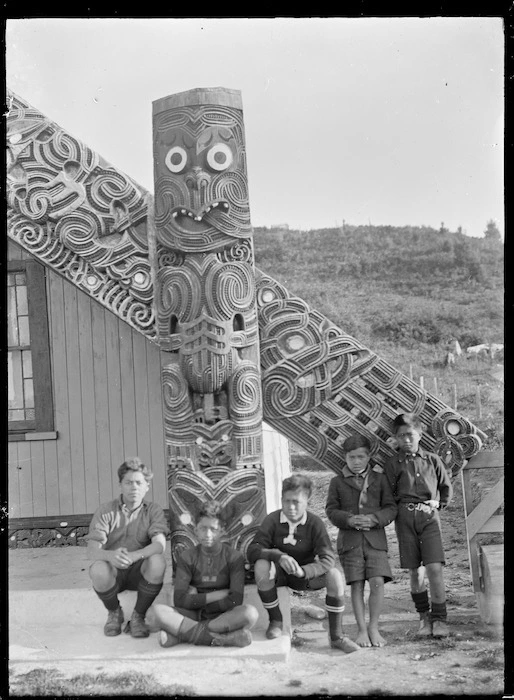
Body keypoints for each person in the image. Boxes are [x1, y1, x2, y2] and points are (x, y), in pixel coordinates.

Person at [248, 474, 360, 653]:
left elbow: (328, 559)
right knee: (261, 566)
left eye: (296, 502)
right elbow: (253, 549)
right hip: (281, 575)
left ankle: (337, 636)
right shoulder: (273, 520)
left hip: (305, 577)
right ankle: (275, 621)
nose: (291, 507)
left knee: (335, 576)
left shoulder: (314, 523)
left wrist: (304, 571)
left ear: (307, 501)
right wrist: (278, 557)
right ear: (281, 500)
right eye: (287, 501)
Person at [151, 500, 259, 648]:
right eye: (202, 528)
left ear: (222, 530)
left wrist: (196, 599)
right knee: (158, 611)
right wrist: (217, 595)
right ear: (195, 530)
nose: (207, 534)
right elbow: (179, 600)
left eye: (213, 529)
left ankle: (182, 635)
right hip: (193, 613)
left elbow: (235, 601)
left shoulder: (234, 557)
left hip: (222, 615)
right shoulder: (187, 557)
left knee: (250, 613)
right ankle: (223, 639)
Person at [384, 413, 453, 638]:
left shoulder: (432, 460)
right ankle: (423, 618)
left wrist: (439, 504)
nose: (406, 440)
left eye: (410, 435)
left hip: (429, 518)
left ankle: (440, 619)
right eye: (401, 436)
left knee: (433, 567)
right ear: (395, 438)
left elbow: (445, 486)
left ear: (420, 434)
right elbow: (389, 493)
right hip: (405, 519)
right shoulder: (393, 464)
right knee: (415, 572)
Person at [325, 434, 397, 647]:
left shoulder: (379, 479)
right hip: (350, 541)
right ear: (345, 458)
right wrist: (349, 519)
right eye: (352, 457)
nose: (356, 462)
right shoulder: (337, 482)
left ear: (369, 457)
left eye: (361, 457)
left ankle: (374, 627)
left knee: (377, 582)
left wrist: (374, 519)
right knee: (357, 584)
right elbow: (330, 510)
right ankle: (362, 630)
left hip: (375, 540)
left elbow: (391, 508)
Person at [86, 457, 169, 638]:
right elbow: (92, 550)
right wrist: (110, 556)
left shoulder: (153, 510)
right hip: (115, 572)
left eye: (139, 483)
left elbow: (159, 544)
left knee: (158, 562)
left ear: (147, 486)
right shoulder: (106, 510)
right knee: (98, 569)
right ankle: (114, 612)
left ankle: (138, 616)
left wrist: (135, 556)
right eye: (128, 482)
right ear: (120, 485)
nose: (134, 488)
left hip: (140, 572)